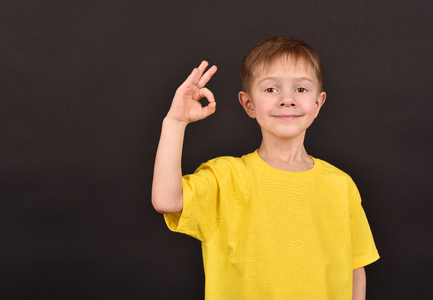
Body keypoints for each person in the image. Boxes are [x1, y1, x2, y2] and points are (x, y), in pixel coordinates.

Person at [152, 36, 379, 299]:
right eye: (271, 89)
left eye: (301, 89)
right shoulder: (226, 177)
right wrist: (175, 122)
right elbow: (166, 201)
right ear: (248, 103)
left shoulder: (341, 185)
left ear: (318, 104)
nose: (287, 99)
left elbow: (354, 267)